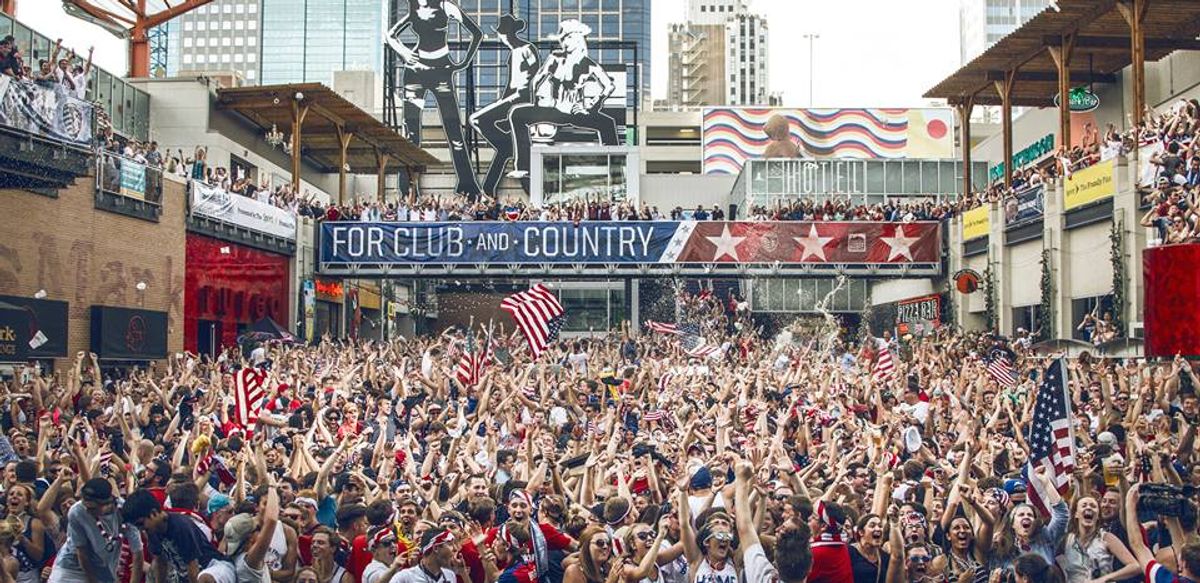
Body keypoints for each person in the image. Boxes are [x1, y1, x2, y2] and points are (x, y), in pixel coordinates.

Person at [386, 0, 483, 198]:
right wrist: (405, 53)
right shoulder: (414, 8)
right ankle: (408, 191)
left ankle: (468, 185)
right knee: (411, 134)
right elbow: (390, 35)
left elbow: (477, 33)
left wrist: (463, 62)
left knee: (454, 131)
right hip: (415, 72)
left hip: (441, 71)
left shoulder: (445, 6)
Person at [507, 19, 618, 178]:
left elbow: (609, 86)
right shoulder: (555, 58)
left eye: (568, 38)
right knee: (517, 114)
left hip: (576, 112)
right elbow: (538, 78)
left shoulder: (589, 65)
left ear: (578, 39)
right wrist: (536, 102)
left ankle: (614, 170)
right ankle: (523, 167)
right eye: (563, 39)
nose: (565, 42)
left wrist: (592, 106)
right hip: (554, 110)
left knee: (608, 123)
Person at [468, 13, 540, 197]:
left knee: (476, 119)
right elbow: (510, 83)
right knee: (480, 124)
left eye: (501, 33)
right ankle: (507, 149)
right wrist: (502, 101)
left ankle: (507, 148)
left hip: (522, 97)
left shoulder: (527, 49)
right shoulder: (513, 53)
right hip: (512, 97)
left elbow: (536, 76)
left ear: (507, 33)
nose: (500, 37)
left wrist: (534, 102)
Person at [122, 489, 235, 583]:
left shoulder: (180, 525)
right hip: (189, 575)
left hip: (216, 567)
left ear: (153, 513)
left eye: (141, 524)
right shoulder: (153, 532)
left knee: (204, 579)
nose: (141, 529)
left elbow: (193, 565)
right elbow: (160, 563)